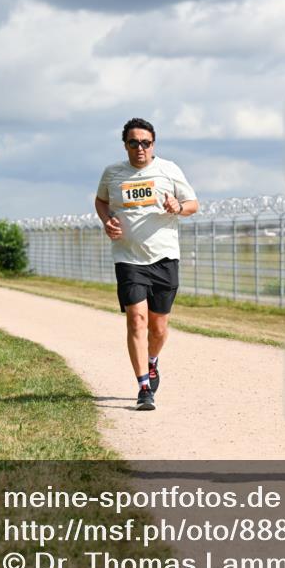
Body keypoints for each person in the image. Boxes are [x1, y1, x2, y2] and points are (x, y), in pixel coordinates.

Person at [95, 118, 199, 411]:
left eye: (146, 143)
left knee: (158, 327)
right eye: (133, 142)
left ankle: (152, 361)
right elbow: (101, 201)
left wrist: (178, 207)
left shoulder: (169, 170)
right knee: (136, 319)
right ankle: (143, 388)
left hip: (164, 257)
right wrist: (107, 222)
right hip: (128, 258)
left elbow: (193, 204)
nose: (140, 148)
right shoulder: (113, 174)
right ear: (125, 144)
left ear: (153, 144)